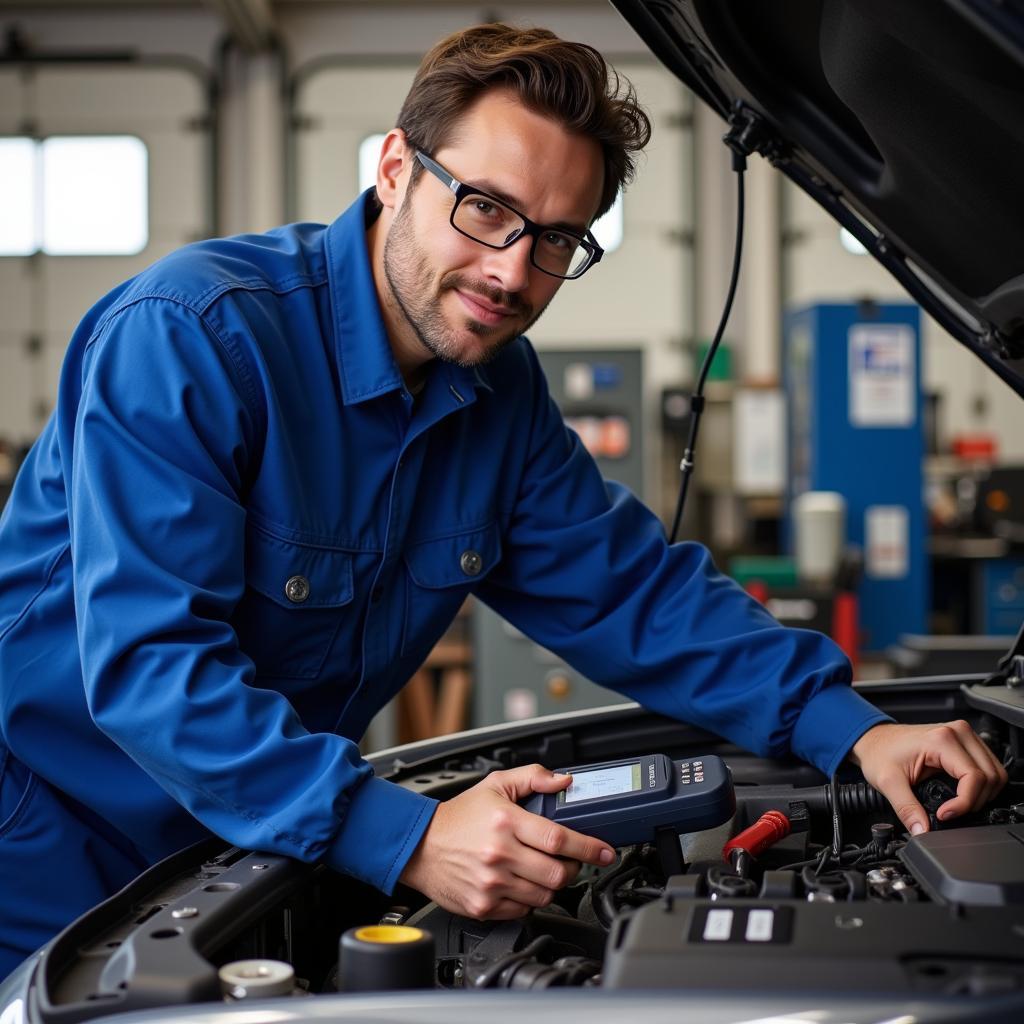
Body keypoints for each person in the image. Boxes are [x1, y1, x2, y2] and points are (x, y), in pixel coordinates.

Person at [0, 23, 1006, 978]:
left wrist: (847, 726)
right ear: (394, 169)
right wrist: (407, 834)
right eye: (485, 208)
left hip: (246, 845)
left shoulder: (496, 390)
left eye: (559, 239)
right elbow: (150, 666)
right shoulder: (192, 337)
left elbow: (632, 594)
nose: (511, 271)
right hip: (52, 849)